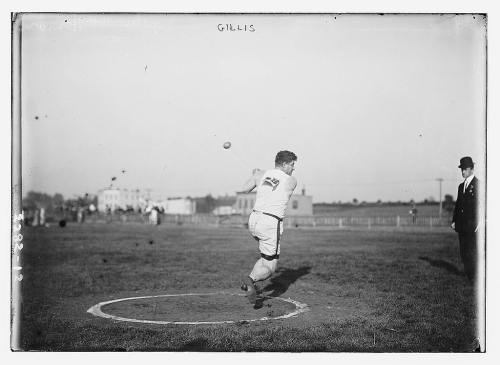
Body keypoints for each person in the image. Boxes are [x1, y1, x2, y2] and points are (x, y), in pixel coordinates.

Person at [238, 150, 298, 304]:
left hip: (254, 220)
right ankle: (250, 280)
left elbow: (244, 189)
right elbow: (284, 181)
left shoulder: (261, 175)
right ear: (284, 164)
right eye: (292, 165)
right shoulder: (291, 181)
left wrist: (255, 175)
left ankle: (250, 282)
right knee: (270, 268)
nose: (293, 168)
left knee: (265, 258)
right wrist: (260, 174)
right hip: (270, 222)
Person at [451, 156, 480, 282]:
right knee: (463, 251)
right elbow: (458, 205)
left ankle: (474, 276)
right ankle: (469, 275)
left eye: (465, 169)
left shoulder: (478, 185)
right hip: (461, 225)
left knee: (471, 251)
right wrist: (454, 221)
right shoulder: (460, 186)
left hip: (473, 225)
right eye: (461, 169)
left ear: (472, 169)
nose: (463, 172)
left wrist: (480, 223)